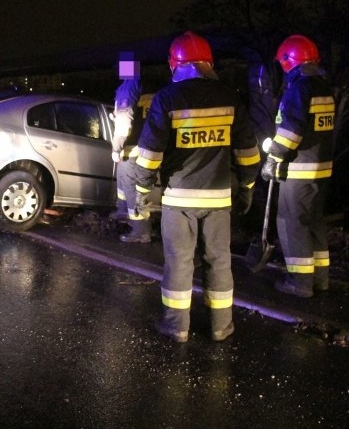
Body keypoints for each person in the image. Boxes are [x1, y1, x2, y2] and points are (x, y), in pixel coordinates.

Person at [134, 32, 260, 342]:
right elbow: (248, 153)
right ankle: (221, 327)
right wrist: (247, 188)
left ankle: (176, 326)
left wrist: (143, 188)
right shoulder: (229, 97)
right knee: (219, 261)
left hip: (179, 200)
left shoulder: (167, 99)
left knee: (179, 262)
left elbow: (150, 155)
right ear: (209, 64)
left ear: (174, 64)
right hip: (219, 199)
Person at [262, 34, 335, 298]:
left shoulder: (299, 88)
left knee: (291, 222)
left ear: (288, 61)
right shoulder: (323, 87)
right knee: (314, 222)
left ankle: (300, 283)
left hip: (300, 169)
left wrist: (274, 158)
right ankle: (320, 278)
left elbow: (291, 131)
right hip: (322, 169)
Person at [111, 52, 157, 242]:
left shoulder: (128, 87)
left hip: (133, 147)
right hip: (145, 145)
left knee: (131, 186)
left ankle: (141, 230)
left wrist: (116, 146)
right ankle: (125, 214)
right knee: (124, 182)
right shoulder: (145, 85)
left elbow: (125, 118)